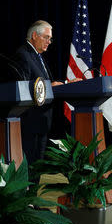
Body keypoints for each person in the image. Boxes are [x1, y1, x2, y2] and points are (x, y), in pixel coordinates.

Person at [11, 20, 79, 174]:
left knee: (37, 168)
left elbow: (47, 83)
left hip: (41, 122)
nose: (49, 42)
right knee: (29, 169)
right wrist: (50, 86)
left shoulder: (37, 56)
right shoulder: (23, 55)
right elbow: (25, 87)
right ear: (34, 35)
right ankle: (27, 197)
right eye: (46, 37)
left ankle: (32, 196)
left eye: (50, 38)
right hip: (30, 121)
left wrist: (67, 83)